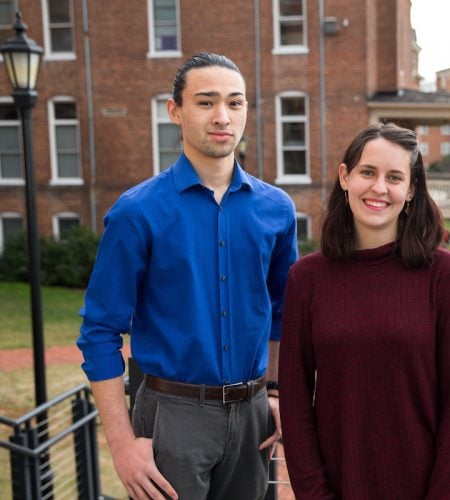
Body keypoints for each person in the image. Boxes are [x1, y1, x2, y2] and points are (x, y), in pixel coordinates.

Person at [77, 53, 297, 500]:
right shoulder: (137, 212)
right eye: (206, 102)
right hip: (172, 419)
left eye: (235, 103)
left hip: (253, 414)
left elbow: (281, 314)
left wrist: (273, 392)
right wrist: (121, 444)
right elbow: (99, 332)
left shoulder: (277, 210)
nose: (223, 116)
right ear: (174, 111)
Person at [279, 122, 450, 499]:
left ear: (412, 189)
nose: (379, 188)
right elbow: (296, 398)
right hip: (338, 489)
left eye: (395, 177)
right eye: (368, 172)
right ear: (345, 176)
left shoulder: (444, 275)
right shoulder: (307, 279)